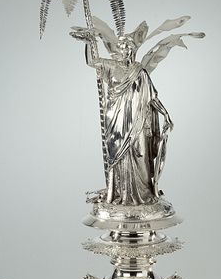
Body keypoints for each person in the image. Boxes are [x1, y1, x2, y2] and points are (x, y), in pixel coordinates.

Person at [71, 30, 173, 204]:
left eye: (128, 47)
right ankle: (119, 193)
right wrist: (89, 42)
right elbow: (91, 62)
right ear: (119, 50)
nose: (125, 50)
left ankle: (143, 194)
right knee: (118, 157)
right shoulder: (111, 66)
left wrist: (166, 114)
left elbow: (152, 98)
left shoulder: (140, 72)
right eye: (122, 47)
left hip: (138, 122)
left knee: (140, 155)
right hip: (117, 123)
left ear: (133, 50)